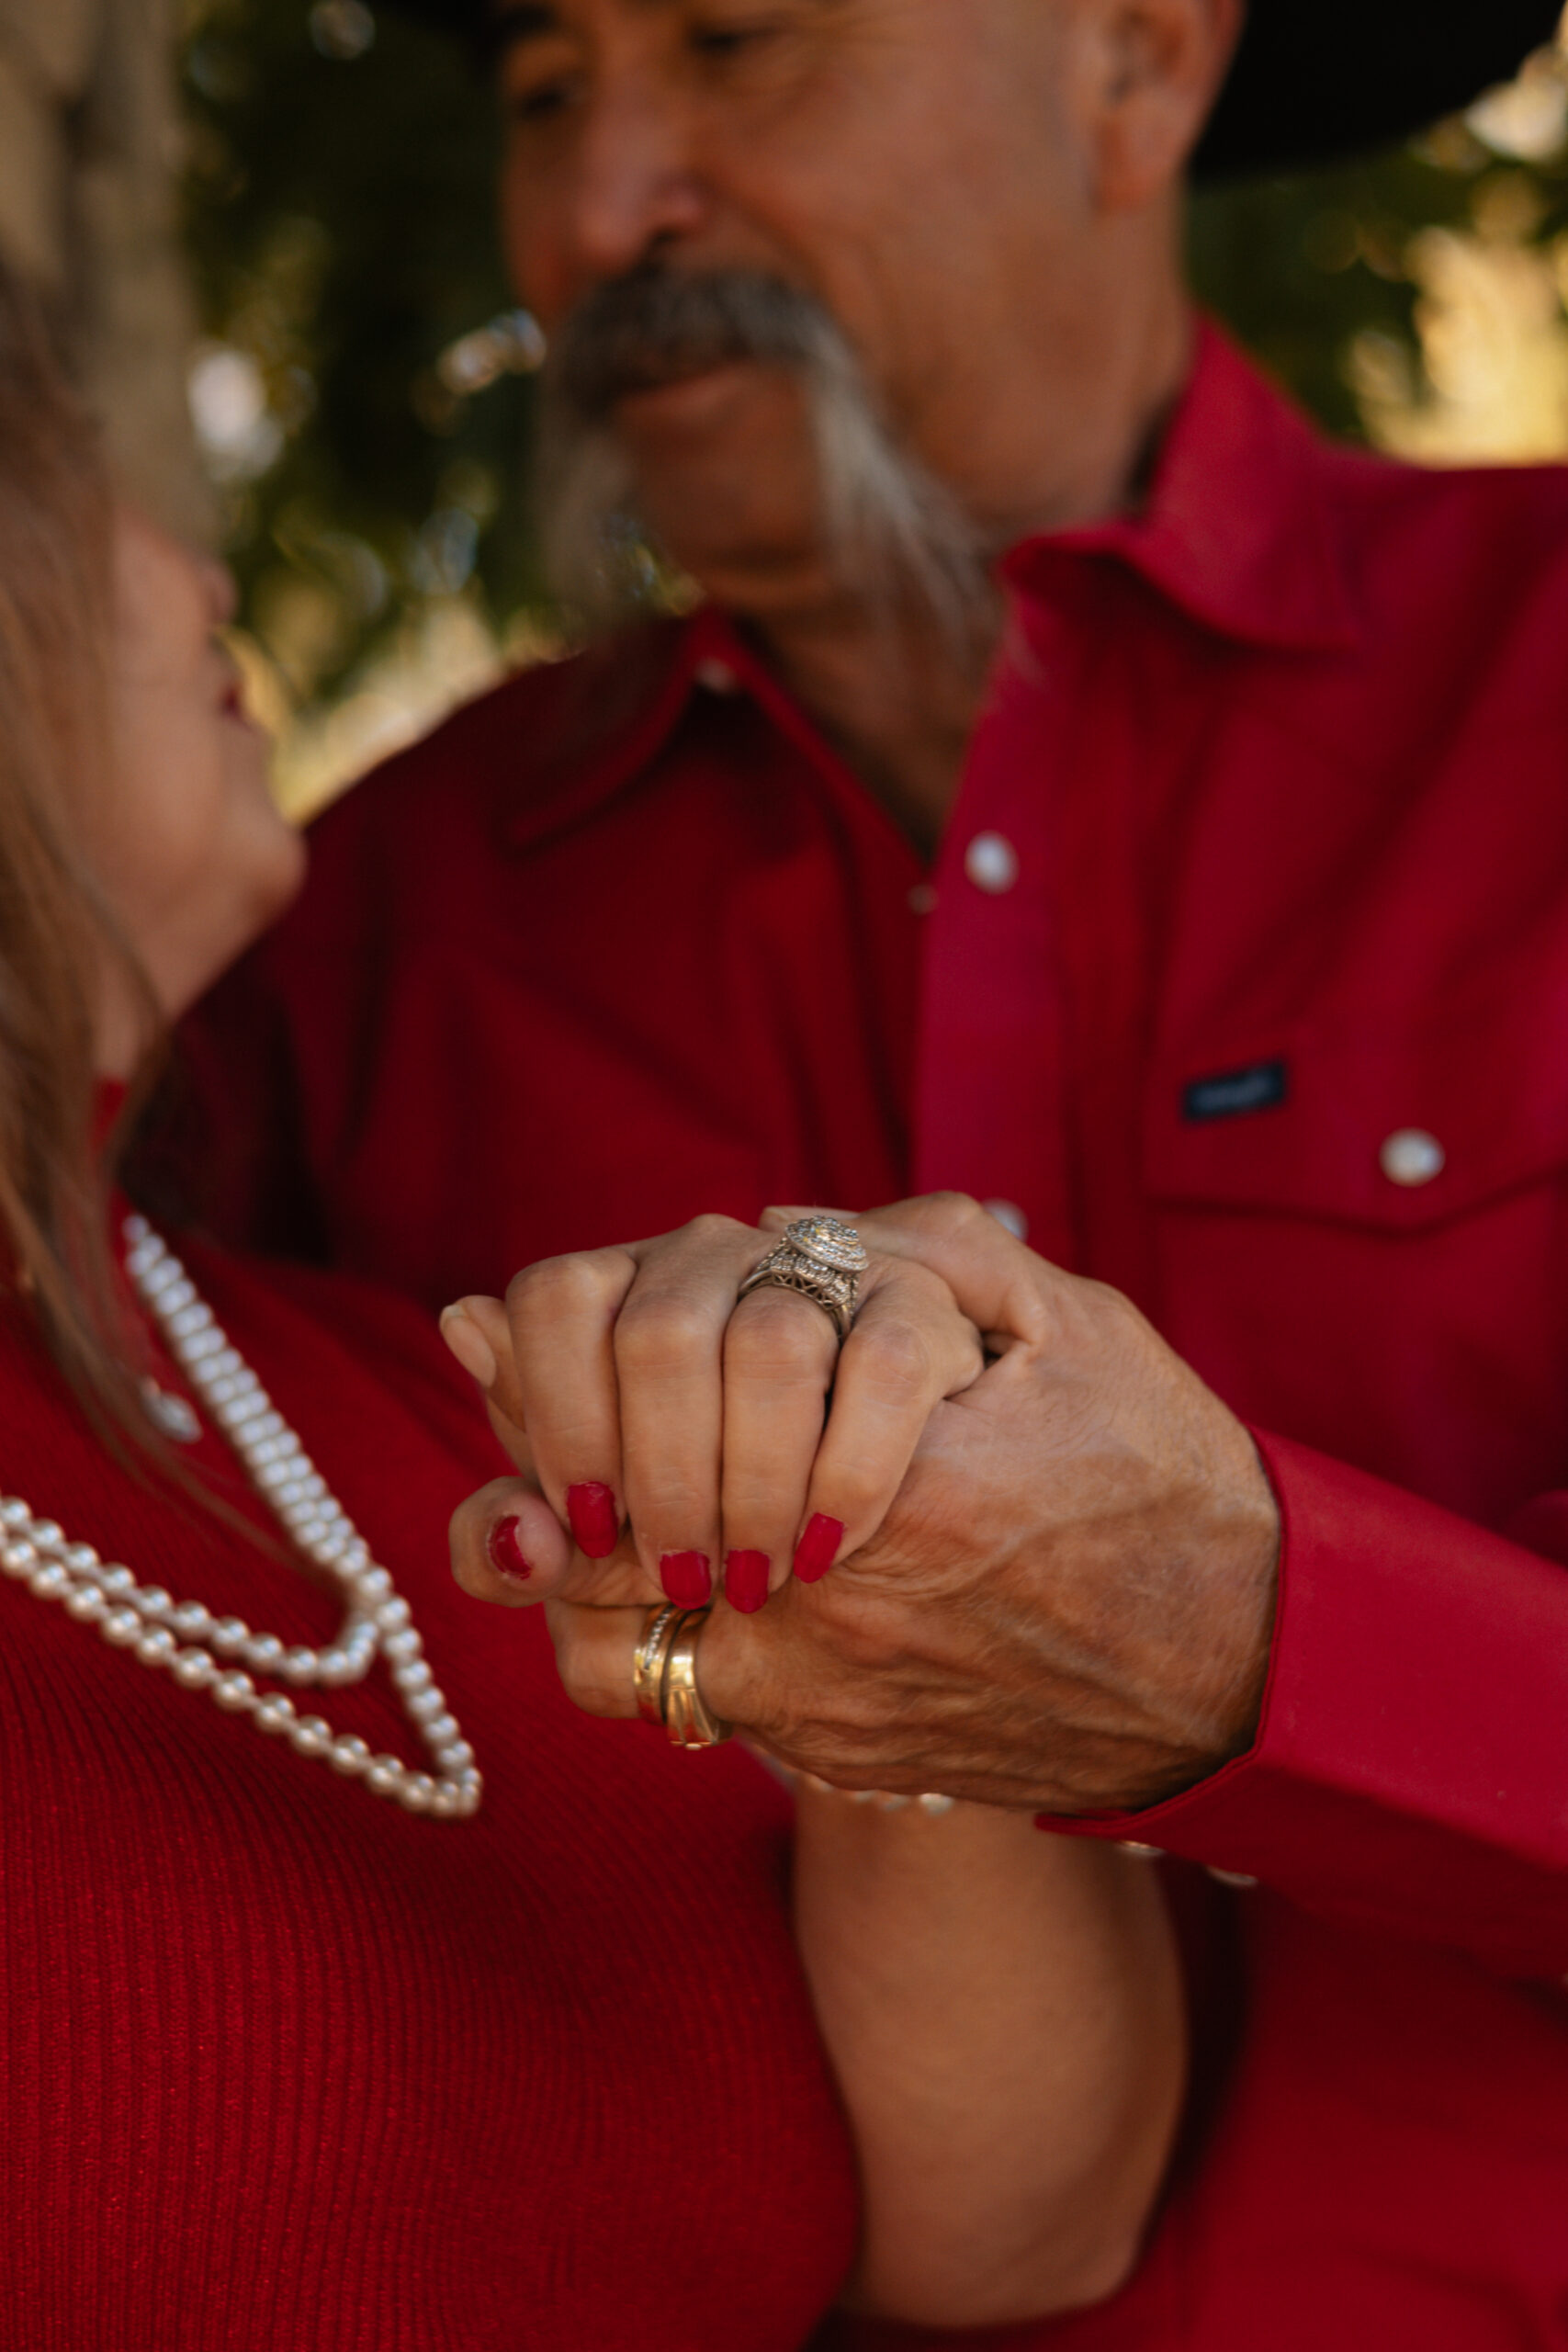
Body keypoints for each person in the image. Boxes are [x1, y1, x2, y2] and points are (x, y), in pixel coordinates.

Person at [162, 0, 1568, 2344]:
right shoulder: (355, 927)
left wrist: (1242, 1639)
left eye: (739, 38)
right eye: (542, 93)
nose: (599, 210)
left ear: (1132, 62)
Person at [0, 279, 1189, 2346]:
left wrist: (865, 1520)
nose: (201, 569)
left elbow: (1014, 2232)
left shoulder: (387, 1394)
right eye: (78, 475)